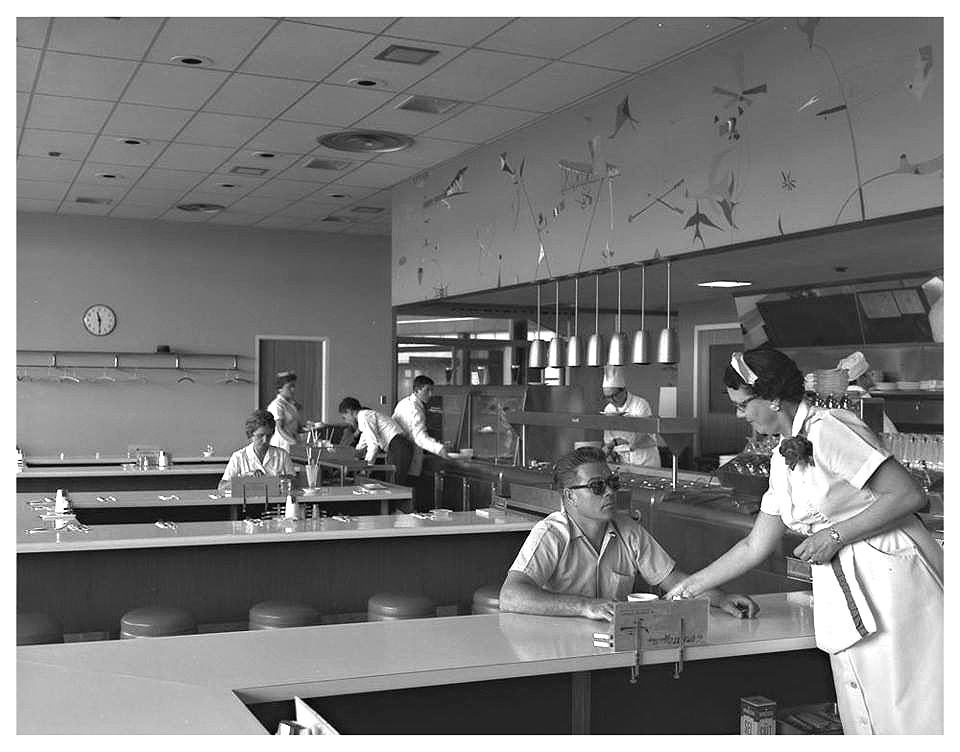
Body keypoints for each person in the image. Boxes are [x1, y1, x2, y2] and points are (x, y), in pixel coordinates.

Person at [664, 348, 943, 734]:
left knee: (909, 704)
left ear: (773, 398)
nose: (740, 415)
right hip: (845, 583)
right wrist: (690, 586)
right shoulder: (782, 455)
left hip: (892, 578)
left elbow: (909, 495)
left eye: (744, 405)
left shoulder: (829, 429)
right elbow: (755, 545)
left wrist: (834, 535)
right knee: (866, 706)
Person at [499, 446, 757, 621]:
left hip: (613, 644)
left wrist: (721, 599)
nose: (610, 492)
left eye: (612, 483)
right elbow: (511, 595)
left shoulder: (628, 530)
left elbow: (674, 581)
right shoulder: (552, 534)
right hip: (557, 643)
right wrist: (584, 606)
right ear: (570, 496)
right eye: (597, 487)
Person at [338, 397, 414, 488]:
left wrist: (366, 469)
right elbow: (362, 442)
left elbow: (373, 446)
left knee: (396, 484)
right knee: (392, 482)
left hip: (399, 446)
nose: (346, 421)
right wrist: (354, 459)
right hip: (396, 447)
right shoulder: (364, 418)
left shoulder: (364, 416)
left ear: (350, 411)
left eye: (345, 417)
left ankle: (400, 502)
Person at [218, 409, 294, 494]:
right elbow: (222, 487)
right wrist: (245, 478)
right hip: (246, 504)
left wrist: (273, 479)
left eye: (268, 436)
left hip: (276, 504)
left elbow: (294, 482)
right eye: (260, 435)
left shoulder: (282, 455)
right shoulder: (238, 456)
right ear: (251, 435)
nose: (265, 440)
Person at [392, 375, 449, 486]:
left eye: (432, 390)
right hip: (407, 456)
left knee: (399, 490)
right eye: (427, 390)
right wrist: (439, 449)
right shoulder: (414, 410)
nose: (431, 394)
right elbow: (419, 437)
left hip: (398, 454)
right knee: (406, 493)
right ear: (417, 390)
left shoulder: (404, 402)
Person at [600, 366, 660, 467]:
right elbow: (608, 439)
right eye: (607, 397)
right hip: (623, 462)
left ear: (623, 390)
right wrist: (611, 449)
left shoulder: (640, 404)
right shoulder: (608, 409)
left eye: (614, 395)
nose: (612, 400)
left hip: (645, 461)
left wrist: (615, 444)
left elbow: (643, 437)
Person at [266, 371, 303, 454]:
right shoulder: (276, 405)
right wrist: (294, 443)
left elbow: (297, 426)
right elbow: (279, 428)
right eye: (289, 387)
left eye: (294, 386)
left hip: (292, 444)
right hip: (282, 446)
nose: (293, 389)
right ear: (280, 388)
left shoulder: (291, 405)